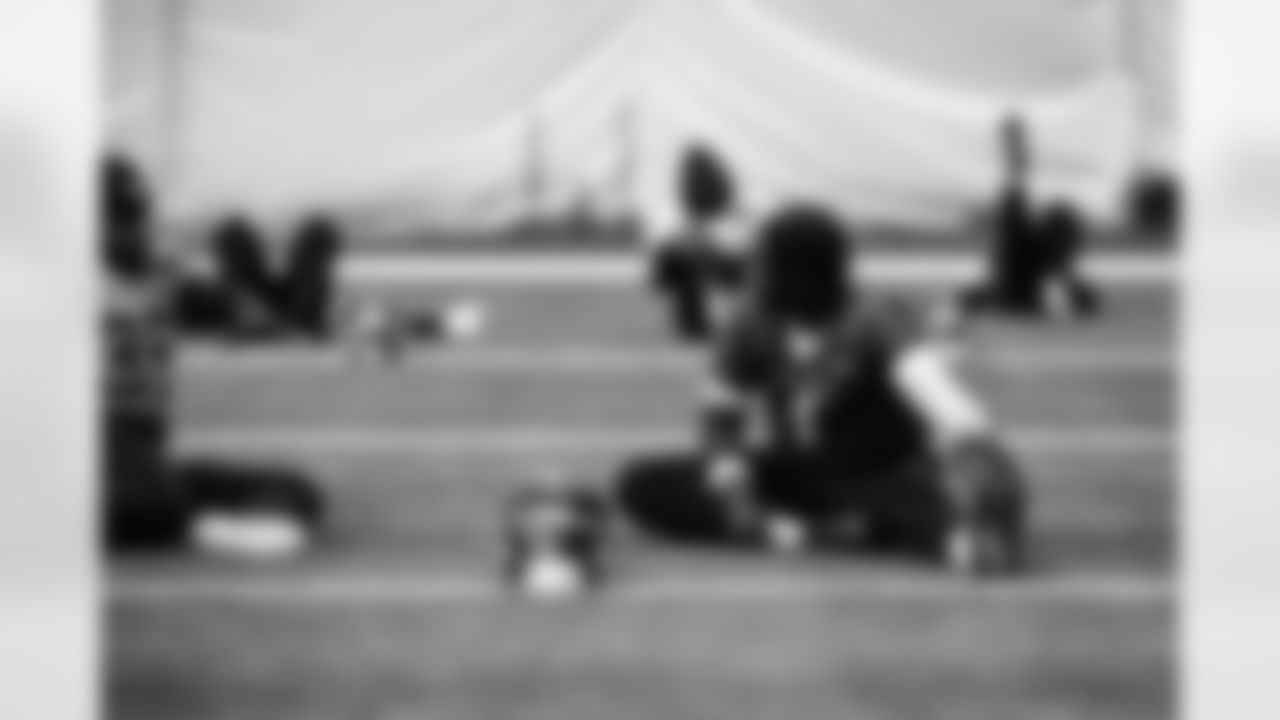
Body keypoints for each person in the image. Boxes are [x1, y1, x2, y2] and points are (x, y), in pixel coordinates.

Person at [618, 204, 1029, 575]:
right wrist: (727, 466)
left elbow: (934, 389)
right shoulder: (750, 322)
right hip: (794, 470)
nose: (758, 274)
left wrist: (972, 440)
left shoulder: (872, 318)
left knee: (928, 506)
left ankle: (945, 540)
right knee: (640, 484)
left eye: (767, 265)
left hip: (877, 472)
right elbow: (720, 411)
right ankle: (815, 529)